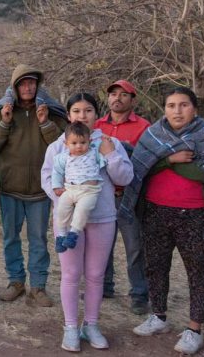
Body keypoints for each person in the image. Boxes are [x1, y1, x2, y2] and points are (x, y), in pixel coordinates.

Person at [120, 87, 204, 355]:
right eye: (171, 105)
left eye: (183, 105)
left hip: (195, 215)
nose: (177, 110)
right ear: (164, 108)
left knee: (198, 272)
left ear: (194, 108)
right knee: (155, 266)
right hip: (156, 211)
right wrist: (170, 159)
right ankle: (158, 316)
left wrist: (165, 162)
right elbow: (139, 169)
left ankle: (194, 329)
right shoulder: (152, 135)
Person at [42, 92, 133, 352]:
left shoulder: (109, 142)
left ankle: (91, 324)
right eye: (77, 111)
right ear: (69, 115)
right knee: (71, 274)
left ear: (96, 114)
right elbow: (47, 178)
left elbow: (125, 177)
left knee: (95, 275)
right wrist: (63, 197)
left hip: (102, 218)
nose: (83, 116)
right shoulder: (58, 146)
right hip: (69, 220)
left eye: (89, 110)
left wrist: (112, 155)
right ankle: (71, 327)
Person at [0, 64, 68, 306]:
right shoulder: (1, 111)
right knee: (10, 238)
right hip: (10, 189)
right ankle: (16, 282)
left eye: (32, 83)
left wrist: (45, 123)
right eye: (23, 83)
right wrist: (4, 123)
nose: (28, 87)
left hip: (41, 191)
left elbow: (65, 147)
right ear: (15, 86)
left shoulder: (50, 111)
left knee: (39, 238)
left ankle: (38, 287)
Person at [95, 79, 151, 314]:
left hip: (129, 196)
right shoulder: (96, 126)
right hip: (103, 194)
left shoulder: (144, 127)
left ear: (132, 99)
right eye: (113, 94)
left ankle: (139, 293)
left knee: (134, 246)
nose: (117, 98)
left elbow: (146, 161)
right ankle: (104, 287)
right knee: (102, 245)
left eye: (123, 95)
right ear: (107, 98)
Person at [51, 122, 105, 253]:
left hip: (89, 191)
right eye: (74, 143)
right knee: (61, 210)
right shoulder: (63, 157)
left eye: (83, 142)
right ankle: (61, 235)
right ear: (66, 144)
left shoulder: (94, 152)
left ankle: (73, 233)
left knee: (82, 210)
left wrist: (106, 140)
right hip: (70, 189)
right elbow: (57, 172)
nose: (79, 146)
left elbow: (104, 145)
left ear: (89, 141)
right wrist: (56, 186)